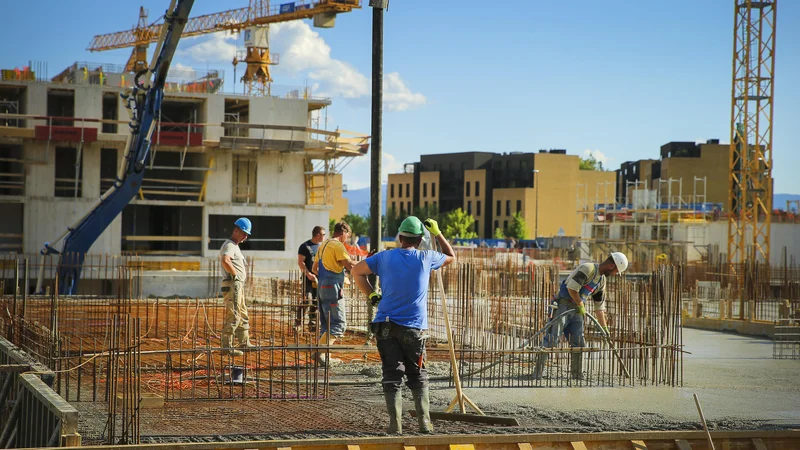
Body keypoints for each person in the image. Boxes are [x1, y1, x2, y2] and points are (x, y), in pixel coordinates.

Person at [352, 216, 456, 435]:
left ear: (399, 237)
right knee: (418, 374)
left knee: (392, 374)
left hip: (386, 325)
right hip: (414, 328)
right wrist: (437, 233)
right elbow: (451, 257)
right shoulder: (426, 257)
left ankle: (395, 425)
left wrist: (371, 294)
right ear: (419, 240)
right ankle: (425, 424)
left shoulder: (384, 257)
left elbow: (356, 271)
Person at [533, 252, 629, 380]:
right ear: (612, 266)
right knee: (551, 339)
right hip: (563, 306)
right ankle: (537, 373)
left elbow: (599, 307)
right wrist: (580, 304)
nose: (614, 274)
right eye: (616, 271)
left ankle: (576, 375)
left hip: (577, 311)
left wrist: (604, 328)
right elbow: (572, 288)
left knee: (579, 343)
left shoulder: (601, 281)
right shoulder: (588, 269)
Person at [312, 221, 355, 365]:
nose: (346, 239)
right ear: (343, 232)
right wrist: (367, 263)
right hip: (333, 289)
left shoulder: (323, 245)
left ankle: (323, 356)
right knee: (338, 324)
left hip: (321, 288)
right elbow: (349, 265)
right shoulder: (337, 245)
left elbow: (314, 268)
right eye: (347, 236)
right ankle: (319, 352)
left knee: (327, 324)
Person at [219, 218, 253, 356]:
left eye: (247, 234)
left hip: (237, 284)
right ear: (236, 230)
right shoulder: (230, 246)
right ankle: (227, 347)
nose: (246, 236)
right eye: (244, 233)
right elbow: (225, 260)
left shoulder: (235, 246)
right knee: (234, 315)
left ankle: (244, 342)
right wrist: (236, 276)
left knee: (243, 313)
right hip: (233, 284)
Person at [296, 225, 326, 332]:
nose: (324, 237)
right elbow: (300, 262)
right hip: (308, 278)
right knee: (307, 299)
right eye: (323, 234)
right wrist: (308, 274)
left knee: (317, 300)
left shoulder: (322, 247)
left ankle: (312, 323)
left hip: (319, 279)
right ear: (318, 235)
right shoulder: (305, 246)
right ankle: (298, 322)